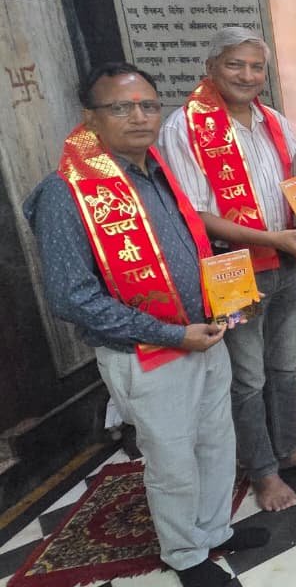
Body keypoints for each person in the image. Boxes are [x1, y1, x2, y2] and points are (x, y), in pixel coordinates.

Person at [24, 63, 268, 587]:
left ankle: (214, 529)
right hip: (148, 351)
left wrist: (227, 300)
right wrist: (172, 334)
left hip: (206, 335)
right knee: (172, 459)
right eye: (121, 107)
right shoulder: (67, 193)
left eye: (148, 105)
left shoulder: (158, 172)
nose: (139, 117)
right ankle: (185, 554)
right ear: (90, 118)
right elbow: (72, 298)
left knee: (215, 441)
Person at [158, 28, 296, 513]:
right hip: (230, 269)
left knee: (284, 366)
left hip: (286, 262)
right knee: (248, 377)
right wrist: (271, 239)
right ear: (211, 68)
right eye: (235, 64)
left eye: (257, 66)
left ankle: (286, 448)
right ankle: (262, 471)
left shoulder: (273, 120)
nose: (248, 75)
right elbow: (194, 215)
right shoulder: (185, 127)